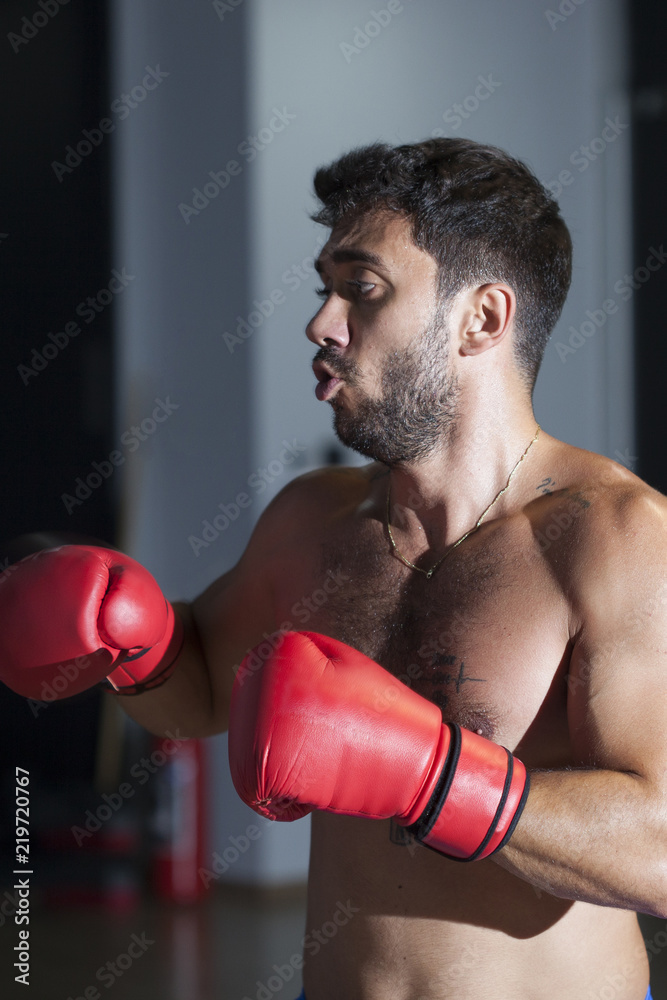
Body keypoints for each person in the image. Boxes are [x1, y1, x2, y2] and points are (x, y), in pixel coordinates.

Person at [1, 138, 663, 1000]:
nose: (320, 320)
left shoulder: (615, 538)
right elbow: (199, 692)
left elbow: (657, 848)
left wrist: (432, 777)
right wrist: (134, 641)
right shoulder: (314, 520)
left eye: (362, 288)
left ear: (483, 319)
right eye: (324, 286)